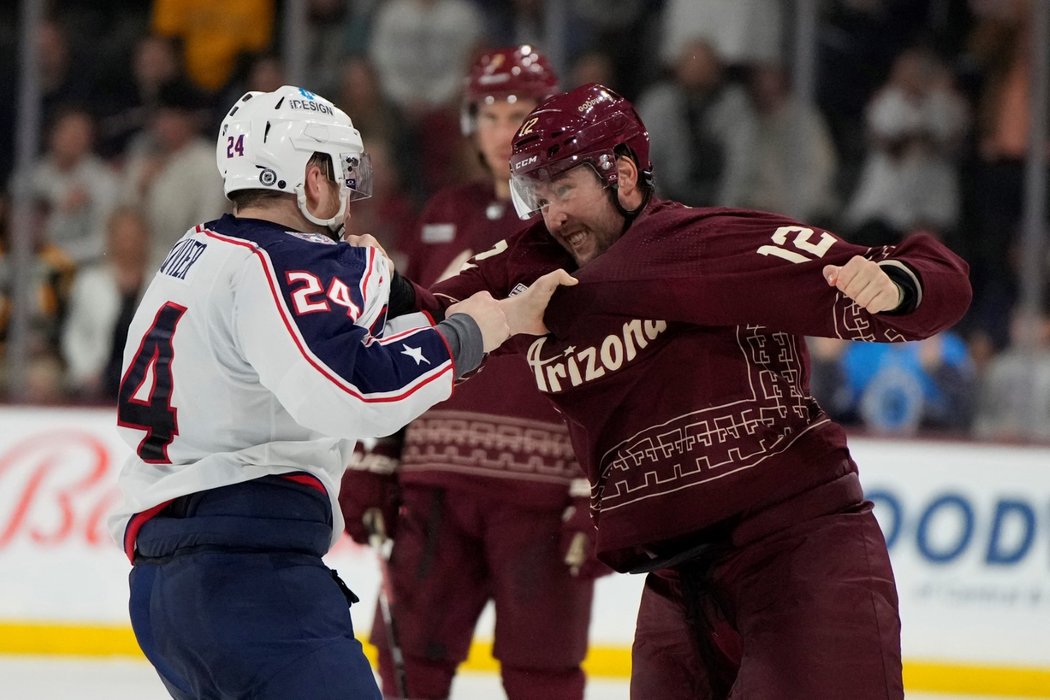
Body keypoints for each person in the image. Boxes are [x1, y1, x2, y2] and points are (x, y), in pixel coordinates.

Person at [396, 83, 972, 699]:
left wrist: (899, 284)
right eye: (538, 195)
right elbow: (426, 312)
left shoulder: (710, 243)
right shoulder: (532, 265)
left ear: (619, 173)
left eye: (563, 188)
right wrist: (349, 272)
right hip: (675, 582)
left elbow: (937, 282)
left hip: (799, 556)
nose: (551, 214)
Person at [106, 84, 572, 700]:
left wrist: (406, 300)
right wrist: (480, 330)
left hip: (171, 583)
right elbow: (354, 390)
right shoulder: (285, 263)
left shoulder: (198, 251)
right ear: (311, 178)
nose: (350, 194)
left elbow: (324, 345)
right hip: (249, 579)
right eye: (342, 172)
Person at [340, 46, 607, 700]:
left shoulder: (586, 220)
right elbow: (403, 337)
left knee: (543, 676)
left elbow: (615, 358)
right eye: (490, 114)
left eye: (520, 113)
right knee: (410, 666)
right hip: (434, 485)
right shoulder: (439, 216)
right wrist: (376, 458)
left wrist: (597, 486)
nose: (503, 131)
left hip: (542, 498)